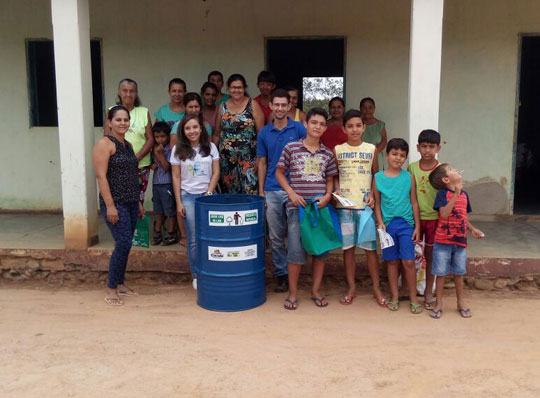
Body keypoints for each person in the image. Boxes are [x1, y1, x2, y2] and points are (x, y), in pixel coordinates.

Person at [275, 107, 338, 310]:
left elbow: (330, 179)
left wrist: (328, 196)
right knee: (295, 251)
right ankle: (292, 294)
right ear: (305, 124)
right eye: (314, 123)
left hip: (319, 208)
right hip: (297, 208)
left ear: (325, 127)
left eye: (321, 124)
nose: (317, 126)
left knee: (320, 252)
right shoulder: (291, 148)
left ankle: (316, 291)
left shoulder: (327, 153)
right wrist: (291, 193)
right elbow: (279, 173)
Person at [333, 109, 386, 307]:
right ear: (343, 128)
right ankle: (352, 288)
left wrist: (373, 195)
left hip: (366, 208)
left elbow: (376, 175)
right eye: (350, 126)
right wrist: (337, 187)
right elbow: (335, 174)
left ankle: (376, 288)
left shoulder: (371, 149)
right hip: (345, 207)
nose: (354, 129)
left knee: (370, 250)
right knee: (348, 249)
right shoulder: (338, 149)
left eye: (358, 126)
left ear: (364, 127)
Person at [257, 89, 307, 293]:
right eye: (275, 105)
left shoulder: (299, 129)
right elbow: (261, 162)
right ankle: (281, 275)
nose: (279, 108)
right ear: (270, 106)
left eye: (283, 105)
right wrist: (261, 191)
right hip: (271, 189)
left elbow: (307, 155)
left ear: (289, 107)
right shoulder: (264, 133)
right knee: (276, 237)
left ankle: (295, 274)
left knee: (296, 235)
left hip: (294, 190)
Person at [94, 106, 144, 306]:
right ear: (109, 122)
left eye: (126, 119)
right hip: (115, 203)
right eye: (118, 120)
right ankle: (112, 289)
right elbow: (101, 176)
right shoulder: (104, 144)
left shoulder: (128, 145)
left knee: (127, 244)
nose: (122, 123)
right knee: (122, 243)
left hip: (131, 201)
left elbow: (132, 176)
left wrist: (139, 202)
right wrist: (110, 206)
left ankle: (121, 283)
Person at [427, 164, 485, 319]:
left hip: (460, 242)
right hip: (442, 242)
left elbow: (462, 217)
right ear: (446, 179)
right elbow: (444, 214)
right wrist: (455, 195)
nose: (456, 170)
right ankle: (438, 303)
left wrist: (472, 229)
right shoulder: (442, 194)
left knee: (459, 273)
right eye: (451, 169)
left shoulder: (464, 195)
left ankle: (461, 302)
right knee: (440, 273)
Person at [373, 138, 422, 314]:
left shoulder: (409, 177)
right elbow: (377, 204)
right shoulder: (377, 178)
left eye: (402, 155)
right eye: (394, 154)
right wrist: (380, 223)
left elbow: (414, 203)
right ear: (387, 155)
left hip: (407, 225)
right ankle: (394, 296)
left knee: (408, 262)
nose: (398, 158)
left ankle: (413, 297)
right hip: (388, 226)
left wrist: (417, 226)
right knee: (392, 262)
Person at [170, 114, 220, 289]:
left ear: (201, 129)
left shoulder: (211, 147)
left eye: (195, 127)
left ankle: (212, 270)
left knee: (210, 236)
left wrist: (209, 192)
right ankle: (196, 275)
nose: (192, 131)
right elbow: (175, 177)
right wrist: (179, 202)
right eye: (188, 128)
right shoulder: (177, 150)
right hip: (188, 197)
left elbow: (216, 173)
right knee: (193, 238)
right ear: (183, 131)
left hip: (207, 197)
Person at [213, 74, 264, 194]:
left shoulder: (253, 105)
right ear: (228, 89)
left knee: (249, 191)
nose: (236, 90)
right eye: (233, 87)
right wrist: (211, 156)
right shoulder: (222, 107)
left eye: (239, 87)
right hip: (226, 161)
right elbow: (216, 134)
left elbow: (261, 134)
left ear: (244, 88)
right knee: (229, 193)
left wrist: (260, 159)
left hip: (248, 159)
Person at [104, 78, 154, 204]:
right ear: (119, 92)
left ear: (136, 94)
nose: (128, 94)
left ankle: (135, 223)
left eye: (132, 91)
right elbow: (107, 137)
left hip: (141, 165)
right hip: (117, 166)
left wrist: (136, 158)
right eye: (125, 90)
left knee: (138, 201)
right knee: (120, 200)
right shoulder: (112, 111)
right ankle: (125, 223)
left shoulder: (143, 112)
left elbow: (150, 139)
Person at [407, 129, 442, 309]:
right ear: (418, 147)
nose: (427, 150)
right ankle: (409, 290)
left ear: (438, 148)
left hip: (435, 219)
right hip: (415, 219)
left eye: (431, 146)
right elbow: (409, 194)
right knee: (410, 255)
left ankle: (428, 292)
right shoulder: (412, 168)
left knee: (430, 256)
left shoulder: (442, 169)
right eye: (424, 146)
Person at [150, 122, 177, 246]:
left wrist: (160, 155)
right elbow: (152, 164)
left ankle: (171, 232)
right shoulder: (154, 149)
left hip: (167, 183)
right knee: (158, 210)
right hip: (156, 184)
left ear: (168, 136)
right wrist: (153, 164)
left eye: (162, 136)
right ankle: (157, 232)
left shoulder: (169, 149)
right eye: (156, 137)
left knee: (170, 210)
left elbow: (167, 167)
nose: (159, 139)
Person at [360, 97, 388, 169]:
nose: (367, 110)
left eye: (370, 107)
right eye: (364, 108)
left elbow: (384, 141)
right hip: (359, 159)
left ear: (374, 108)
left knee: (377, 179)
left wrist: (373, 153)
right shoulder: (357, 124)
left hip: (376, 158)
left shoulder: (380, 125)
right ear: (360, 109)